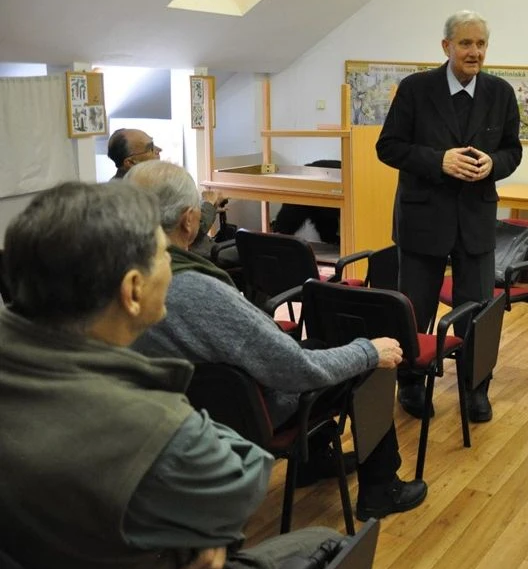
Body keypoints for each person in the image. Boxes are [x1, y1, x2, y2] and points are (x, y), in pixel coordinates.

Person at [0, 181, 344, 569]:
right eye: (163, 254)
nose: (173, 264)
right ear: (133, 290)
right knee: (328, 542)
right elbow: (242, 480)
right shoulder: (158, 426)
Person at [126, 161, 427, 521]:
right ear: (190, 220)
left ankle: (314, 461)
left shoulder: (111, 278)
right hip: (244, 414)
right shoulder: (197, 291)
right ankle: (381, 490)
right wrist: (368, 351)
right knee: (373, 361)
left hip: (168, 420)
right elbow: (295, 370)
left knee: (318, 346)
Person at [376, 10, 523, 422]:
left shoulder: (500, 93)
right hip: (422, 221)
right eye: (466, 43)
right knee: (415, 309)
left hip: (476, 221)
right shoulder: (415, 89)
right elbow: (388, 147)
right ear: (446, 46)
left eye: (481, 44)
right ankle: (410, 382)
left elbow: (513, 151)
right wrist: (437, 161)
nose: (474, 52)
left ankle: (475, 387)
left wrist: (493, 164)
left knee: (477, 310)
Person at [107, 127, 224, 256]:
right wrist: (208, 204)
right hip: (192, 256)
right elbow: (189, 228)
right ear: (130, 162)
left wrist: (203, 208)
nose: (159, 150)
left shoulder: (114, 190)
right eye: (150, 148)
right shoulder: (146, 188)